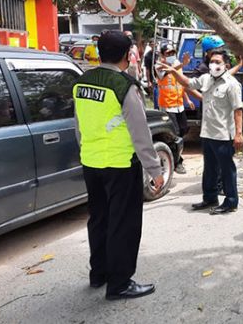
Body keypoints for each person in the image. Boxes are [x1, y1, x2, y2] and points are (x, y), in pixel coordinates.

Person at [72, 30, 164, 301]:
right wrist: (155, 170)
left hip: (91, 162)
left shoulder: (82, 81)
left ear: (100, 52)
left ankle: (98, 274)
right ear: (127, 55)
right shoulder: (124, 85)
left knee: (98, 219)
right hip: (120, 165)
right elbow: (140, 132)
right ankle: (120, 283)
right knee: (122, 224)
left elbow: (78, 125)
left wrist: (86, 150)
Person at [161, 50, 243, 214]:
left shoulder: (232, 84)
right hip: (207, 133)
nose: (214, 64)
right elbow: (188, 83)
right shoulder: (206, 78)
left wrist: (239, 134)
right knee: (210, 169)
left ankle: (231, 201)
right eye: (212, 61)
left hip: (223, 135)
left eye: (217, 62)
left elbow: (238, 111)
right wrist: (173, 71)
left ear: (226, 65)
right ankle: (210, 198)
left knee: (227, 169)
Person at [156, 43, 192, 174]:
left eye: (173, 53)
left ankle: (174, 156)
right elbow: (169, 71)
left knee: (182, 130)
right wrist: (182, 63)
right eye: (168, 53)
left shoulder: (177, 64)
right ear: (162, 55)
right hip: (168, 106)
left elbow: (180, 84)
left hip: (179, 105)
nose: (171, 56)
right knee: (174, 134)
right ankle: (177, 163)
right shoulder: (158, 66)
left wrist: (187, 99)